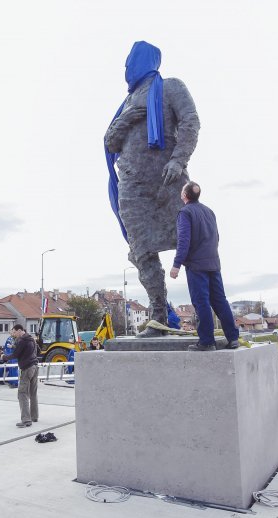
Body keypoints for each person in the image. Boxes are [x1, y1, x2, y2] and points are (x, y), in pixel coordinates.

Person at [104, 41, 200, 337]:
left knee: (193, 244)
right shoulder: (127, 104)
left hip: (167, 182)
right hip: (132, 187)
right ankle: (158, 314)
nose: (125, 68)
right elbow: (110, 142)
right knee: (141, 250)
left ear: (144, 61)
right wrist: (129, 117)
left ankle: (205, 315)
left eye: (129, 61)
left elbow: (190, 121)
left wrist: (178, 159)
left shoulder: (171, 87)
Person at [169, 181, 239, 351]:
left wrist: (176, 264)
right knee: (220, 301)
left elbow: (183, 240)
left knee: (201, 302)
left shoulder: (185, 212)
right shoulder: (209, 211)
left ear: (185, 195)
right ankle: (233, 338)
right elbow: (216, 237)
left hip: (196, 265)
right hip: (213, 263)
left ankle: (207, 342)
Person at [1, 325, 38, 427]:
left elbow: (15, 355)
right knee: (33, 393)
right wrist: (14, 346)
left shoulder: (22, 340)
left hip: (27, 368)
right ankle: (34, 416)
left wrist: (4, 357)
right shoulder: (31, 339)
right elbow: (28, 351)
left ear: (19, 330)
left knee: (22, 393)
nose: (13, 334)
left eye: (14, 332)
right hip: (35, 367)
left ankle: (26, 420)